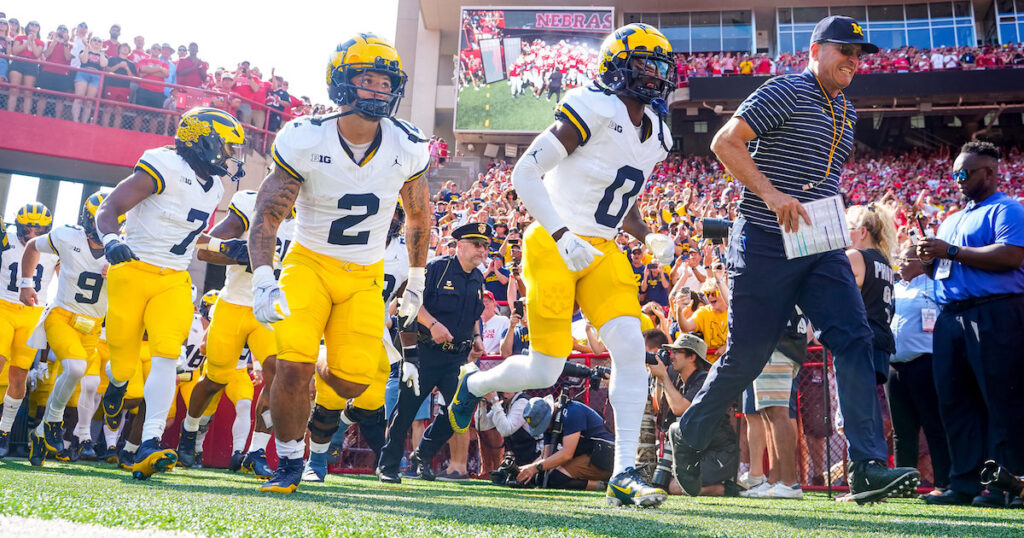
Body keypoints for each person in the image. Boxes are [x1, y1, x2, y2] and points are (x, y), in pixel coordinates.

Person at [673, 15, 920, 504]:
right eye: (844, 49)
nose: (854, 59)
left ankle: (867, 465)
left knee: (856, 338)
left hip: (819, 242)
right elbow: (726, 141)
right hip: (765, 236)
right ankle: (688, 432)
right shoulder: (785, 90)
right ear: (815, 49)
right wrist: (771, 194)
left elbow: (820, 179)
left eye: (859, 54)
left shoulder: (846, 110)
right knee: (747, 356)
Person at [446, 22, 677, 508]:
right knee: (544, 367)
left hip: (603, 249)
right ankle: (477, 382)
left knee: (632, 349)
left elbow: (618, 197)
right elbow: (524, 171)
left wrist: (646, 233)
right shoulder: (591, 107)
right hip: (554, 241)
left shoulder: (656, 133)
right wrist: (561, 233)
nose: (654, 75)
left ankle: (624, 474)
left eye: (660, 66)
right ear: (617, 66)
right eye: (643, 64)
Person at [246, 34, 431, 494]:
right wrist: (264, 278)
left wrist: (417, 280)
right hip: (308, 264)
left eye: (385, 81)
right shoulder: (306, 137)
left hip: (364, 274)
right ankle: (290, 462)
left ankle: (322, 364)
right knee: (292, 367)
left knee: (351, 381)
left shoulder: (408, 144)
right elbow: (268, 213)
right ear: (342, 83)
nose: (377, 90)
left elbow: (419, 215)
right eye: (366, 80)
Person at [95, 107, 245, 481]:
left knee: (166, 356)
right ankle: (116, 387)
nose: (230, 156)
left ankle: (150, 441)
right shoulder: (162, 164)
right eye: (227, 147)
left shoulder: (215, 187)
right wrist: (112, 239)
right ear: (203, 139)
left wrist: (229, 250)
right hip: (132, 268)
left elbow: (192, 240)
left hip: (174, 279)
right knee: (123, 365)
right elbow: (110, 207)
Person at [917, 141, 1024, 508]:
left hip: (995, 312)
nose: (957, 178)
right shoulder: (954, 216)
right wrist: (929, 259)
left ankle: (1006, 486)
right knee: (955, 402)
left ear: (989, 173)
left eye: (965, 172)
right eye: (955, 173)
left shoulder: (1008, 210)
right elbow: (947, 265)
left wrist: (948, 250)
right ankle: (962, 483)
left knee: (1001, 401)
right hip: (951, 316)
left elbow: (1011, 256)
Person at [175, 188, 292, 479]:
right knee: (214, 380)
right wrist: (244, 253)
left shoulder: (314, 219)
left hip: (271, 310)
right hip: (235, 305)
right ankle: (189, 431)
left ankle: (256, 451)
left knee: (277, 376)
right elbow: (203, 248)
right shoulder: (253, 203)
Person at [377, 222, 487, 483]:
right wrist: (433, 324)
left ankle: (421, 454)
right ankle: (388, 466)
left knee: (458, 411)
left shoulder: (478, 277)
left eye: (485, 246)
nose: (482, 250)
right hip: (426, 353)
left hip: (456, 358)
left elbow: (473, 313)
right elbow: (408, 302)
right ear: (459, 246)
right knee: (405, 411)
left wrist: (477, 337)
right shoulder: (437, 268)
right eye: (477, 245)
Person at [18, 194, 113, 465]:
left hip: (93, 326)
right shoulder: (67, 236)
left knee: (87, 379)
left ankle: (40, 432)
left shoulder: (124, 247)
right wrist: (26, 283)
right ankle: (54, 423)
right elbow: (32, 247)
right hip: (61, 315)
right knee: (73, 368)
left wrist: (119, 275)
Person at [888, 243, 950, 497]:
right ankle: (905, 484)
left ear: (921, 262)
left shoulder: (934, 286)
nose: (900, 264)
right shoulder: (894, 288)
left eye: (906, 259)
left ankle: (943, 484)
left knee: (933, 426)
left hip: (925, 363)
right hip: (895, 366)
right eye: (899, 259)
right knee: (902, 430)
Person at [0, 203, 58, 459]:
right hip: (3, 306)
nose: (34, 232)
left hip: (34, 313)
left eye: (40, 227)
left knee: (19, 375)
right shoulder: (6, 239)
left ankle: (4, 431)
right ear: (18, 224)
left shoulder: (55, 245)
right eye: (29, 226)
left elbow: (69, 273)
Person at [650, 334, 739, 497]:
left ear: (692, 357)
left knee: (676, 488)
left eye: (677, 352)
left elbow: (679, 408)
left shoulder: (705, 381)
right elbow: (660, 407)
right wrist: (659, 378)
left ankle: (732, 487)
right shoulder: (678, 380)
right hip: (699, 452)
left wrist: (664, 376)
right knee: (662, 482)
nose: (672, 356)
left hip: (720, 453)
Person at [514, 395, 614, 491]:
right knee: (541, 477)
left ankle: (606, 486)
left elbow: (567, 454)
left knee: (555, 479)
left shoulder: (572, 412)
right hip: (587, 455)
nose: (545, 429)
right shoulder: (551, 423)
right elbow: (546, 456)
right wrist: (523, 471)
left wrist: (534, 468)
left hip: (603, 456)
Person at [845, 203, 897, 385]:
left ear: (862, 232)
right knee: (868, 404)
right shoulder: (885, 262)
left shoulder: (855, 256)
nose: (844, 234)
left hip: (860, 342)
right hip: (881, 342)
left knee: (853, 410)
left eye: (848, 229)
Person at [7, 20, 44, 113]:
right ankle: (9, 113)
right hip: (18, 62)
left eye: (36, 25)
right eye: (32, 24)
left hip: (31, 64)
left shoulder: (40, 42)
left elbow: (36, 54)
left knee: (28, 93)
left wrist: (33, 41)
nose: (34, 26)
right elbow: (15, 51)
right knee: (14, 90)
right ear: (28, 26)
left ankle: (26, 115)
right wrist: (27, 41)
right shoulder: (19, 37)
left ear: (39, 29)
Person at [71, 36, 107, 123]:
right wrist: (87, 47)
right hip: (83, 74)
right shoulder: (83, 51)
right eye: (94, 40)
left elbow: (103, 64)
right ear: (90, 41)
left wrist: (101, 52)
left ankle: (84, 122)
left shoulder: (104, 55)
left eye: (99, 41)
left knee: (89, 102)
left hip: (96, 77)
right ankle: (75, 121)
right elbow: (83, 60)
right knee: (79, 98)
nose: (96, 42)